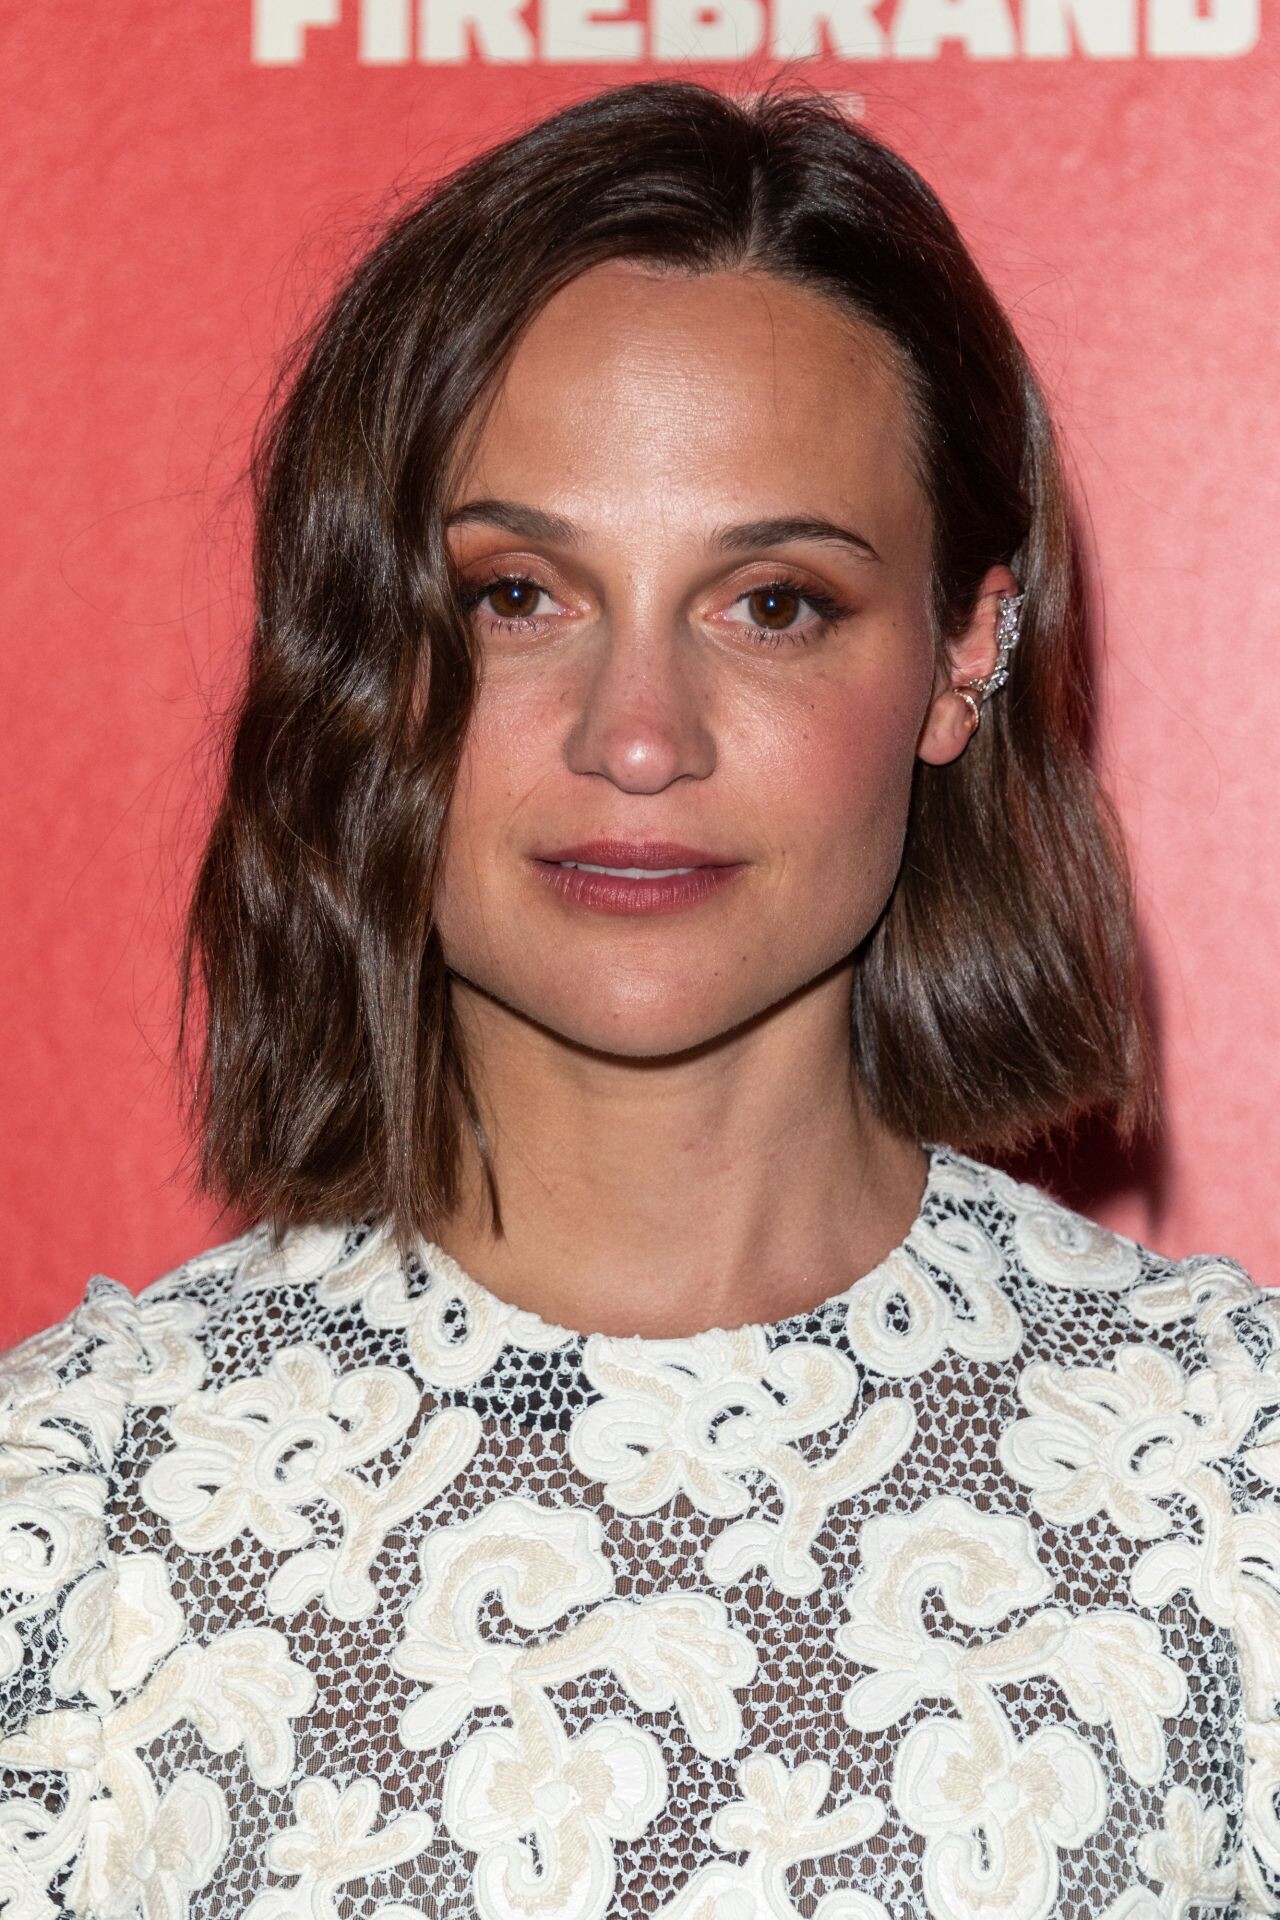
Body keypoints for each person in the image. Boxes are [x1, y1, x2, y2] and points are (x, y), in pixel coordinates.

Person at [1, 74, 1276, 1920]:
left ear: (964, 650)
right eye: (518, 595)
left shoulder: (1233, 1490)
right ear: (366, 650)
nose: (639, 738)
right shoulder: (70, 1520)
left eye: (776, 604)